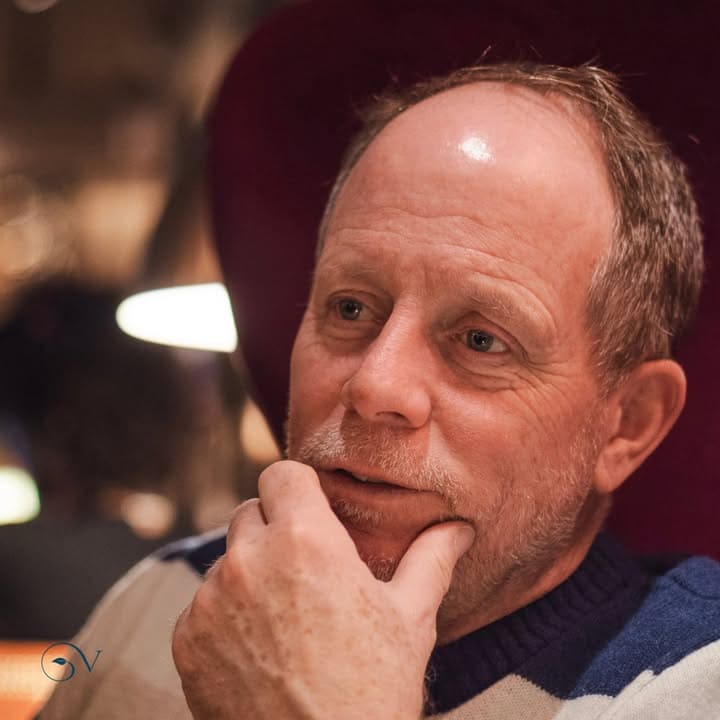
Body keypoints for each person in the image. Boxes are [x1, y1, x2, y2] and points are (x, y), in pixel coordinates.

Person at [40, 62, 720, 720]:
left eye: (480, 340)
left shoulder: (694, 682)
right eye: (350, 308)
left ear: (627, 424)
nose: (374, 384)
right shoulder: (169, 594)